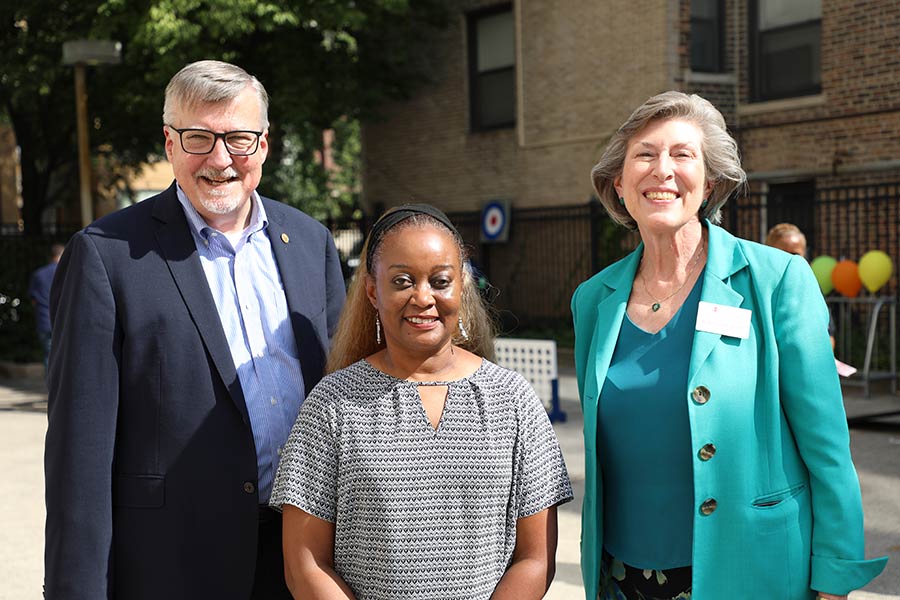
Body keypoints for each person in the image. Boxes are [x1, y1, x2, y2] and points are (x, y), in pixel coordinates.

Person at [44, 60, 345, 599]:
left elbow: (345, 399)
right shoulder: (106, 256)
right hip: (173, 565)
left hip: (303, 559)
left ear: (265, 144)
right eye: (198, 137)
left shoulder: (310, 242)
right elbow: (78, 456)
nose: (220, 159)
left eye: (239, 138)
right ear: (169, 143)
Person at [571, 91, 887, 600]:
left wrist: (834, 574)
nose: (662, 170)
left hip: (753, 569)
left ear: (710, 181)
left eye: (682, 155)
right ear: (619, 183)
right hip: (622, 576)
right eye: (645, 155)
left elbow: (827, 447)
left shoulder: (777, 278)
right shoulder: (593, 300)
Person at [270, 204, 573, 599]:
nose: (423, 297)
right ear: (373, 290)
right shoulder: (333, 404)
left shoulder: (512, 400)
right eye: (402, 281)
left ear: (461, 287)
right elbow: (305, 562)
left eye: (440, 280)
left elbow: (535, 558)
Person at [766, 223, 837, 350]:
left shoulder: (811, 287)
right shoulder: (757, 286)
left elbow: (828, 336)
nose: (789, 260)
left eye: (795, 255)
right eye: (782, 253)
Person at [27, 242, 64, 368]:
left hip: (44, 320)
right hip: (63, 320)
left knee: (49, 356)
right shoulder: (67, 273)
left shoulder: (38, 274)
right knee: (66, 355)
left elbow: (33, 300)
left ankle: (50, 385)